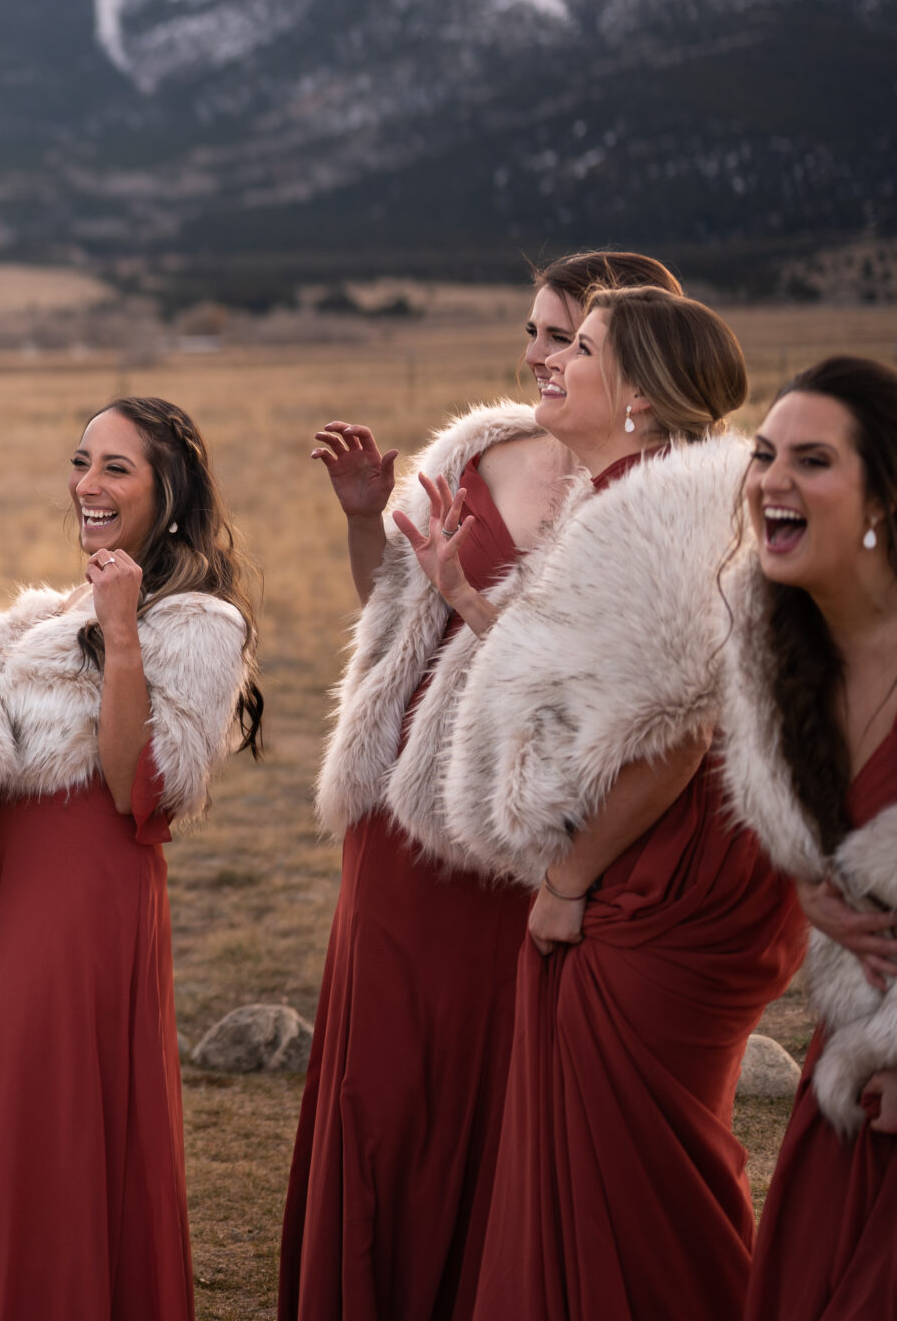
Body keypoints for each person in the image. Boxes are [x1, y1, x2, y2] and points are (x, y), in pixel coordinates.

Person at [280, 251, 682, 1321]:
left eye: (566, 338)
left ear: (627, 356)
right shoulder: (477, 448)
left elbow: (627, 693)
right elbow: (391, 613)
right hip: (393, 807)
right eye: (535, 332)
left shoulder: (646, 484)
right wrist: (365, 516)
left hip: (509, 829)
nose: (539, 355)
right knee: (381, 1085)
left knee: (486, 1080)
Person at [428, 290, 802, 1321]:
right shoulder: (636, 493)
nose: (549, 361)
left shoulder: (658, 511)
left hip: (659, 880)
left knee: (635, 1173)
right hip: (652, 861)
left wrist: (564, 879)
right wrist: (468, 605)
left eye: (579, 349)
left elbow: (675, 733)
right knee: (601, 1158)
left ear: (637, 394)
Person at [0, 397, 260, 1321]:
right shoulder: (62, 609)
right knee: (20, 1121)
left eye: (116, 468)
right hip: (13, 892)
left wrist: (126, 630)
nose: (87, 485)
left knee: (43, 1120)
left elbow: (141, 779)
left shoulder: (200, 622)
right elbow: (12, 736)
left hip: (83, 895)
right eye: (81, 461)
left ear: (168, 493)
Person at [717, 358, 897, 1320]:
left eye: (813, 459)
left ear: (884, 497)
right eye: (763, 454)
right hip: (847, 1061)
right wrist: (803, 885)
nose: (772, 479)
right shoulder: (779, 654)